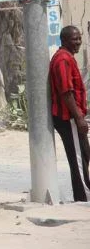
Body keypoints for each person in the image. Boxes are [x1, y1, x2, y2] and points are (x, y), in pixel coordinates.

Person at [48, 25, 90, 202]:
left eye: (79, 38)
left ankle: (83, 193)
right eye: (74, 39)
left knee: (85, 153)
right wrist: (79, 118)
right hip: (68, 118)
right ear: (64, 40)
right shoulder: (63, 59)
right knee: (79, 159)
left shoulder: (67, 57)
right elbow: (66, 91)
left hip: (74, 116)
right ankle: (83, 198)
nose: (78, 42)